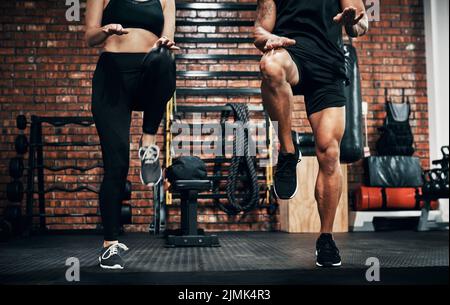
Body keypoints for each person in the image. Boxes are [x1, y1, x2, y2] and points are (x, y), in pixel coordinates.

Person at [254, 0, 368, 267]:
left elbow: (362, 25)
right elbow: (259, 29)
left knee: (329, 153)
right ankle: (287, 149)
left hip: (328, 67)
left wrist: (353, 22)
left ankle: (326, 238)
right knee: (270, 65)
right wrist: (268, 39)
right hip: (291, 53)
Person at [85, 0, 178, 270]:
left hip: (148, 71)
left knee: (165, 59)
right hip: (112, 75)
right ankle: (110, 245)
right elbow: (89, 37)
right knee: (116, 166)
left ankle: (148, 141)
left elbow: (167, 38)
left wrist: (167, 45)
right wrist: (106, 30)